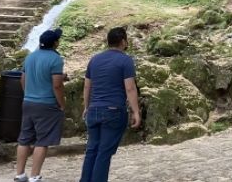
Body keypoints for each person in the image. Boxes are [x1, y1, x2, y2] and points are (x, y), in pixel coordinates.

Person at [79, 27, 141, 182]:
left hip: (94, 110)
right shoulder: (125, 60)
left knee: (92, 150)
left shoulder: (94, 59)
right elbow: (130, 88)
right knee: (104, 153)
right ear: (123, 42)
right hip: (113, 111)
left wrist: (87, 107)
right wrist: (136, 112)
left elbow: (87, 86)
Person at [15, 29, 65, 182]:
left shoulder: (30, 57)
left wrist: (28, 95)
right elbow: (57, 85)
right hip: (47, 104)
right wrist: (61, 104)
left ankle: (20, 174)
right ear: (55, 43)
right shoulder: (56, 59)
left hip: (28, 102)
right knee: (42, 141)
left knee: (24, 139)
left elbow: (22, 79)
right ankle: (35, 176)